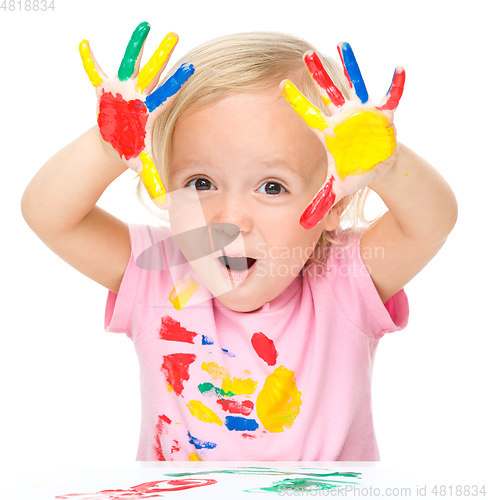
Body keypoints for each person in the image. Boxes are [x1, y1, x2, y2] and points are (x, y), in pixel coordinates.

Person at [21, 22, 457, 461]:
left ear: (332, 203)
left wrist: (386, 163)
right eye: (201, 181)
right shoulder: (158, 274)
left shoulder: (344, 281)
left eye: (271, 187)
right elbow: (50, 216)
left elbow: (431, 222)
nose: (230, 219)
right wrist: (106, 144)